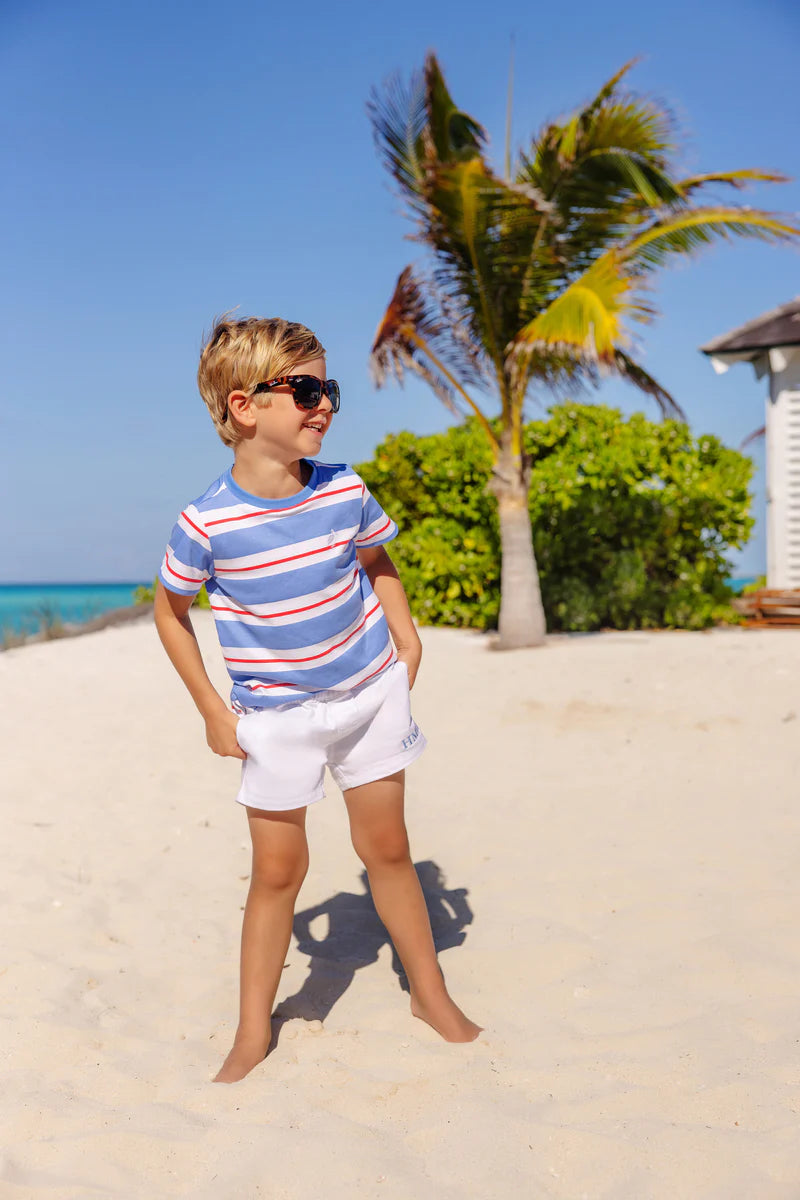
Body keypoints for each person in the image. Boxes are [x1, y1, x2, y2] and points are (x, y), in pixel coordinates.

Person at [154, 316, 481, 1083]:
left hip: (370, 697)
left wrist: (408, 638)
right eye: (303, 389)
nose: (323, 404)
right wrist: (210, 708)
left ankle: (429, 994)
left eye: (326, 388)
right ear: (244, 407)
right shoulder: (207, 522)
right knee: (277, 872)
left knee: (388, 851)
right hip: (277, 719)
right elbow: (169, 614)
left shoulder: (345, 489)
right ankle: (249, 1030)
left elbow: (378, 558)